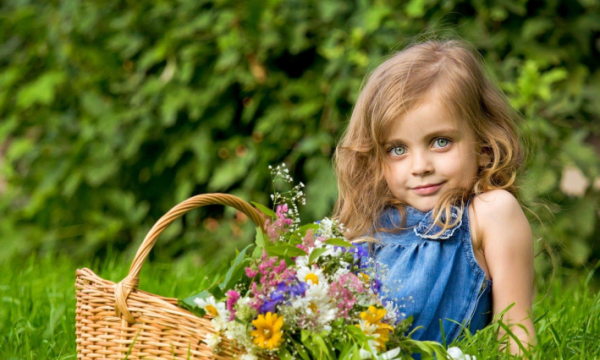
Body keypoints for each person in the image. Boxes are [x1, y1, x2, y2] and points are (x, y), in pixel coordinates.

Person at [332, 38, 536, 356]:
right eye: (397, 149)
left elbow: (515, 331)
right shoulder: (372, 223)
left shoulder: (489, 213)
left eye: (440, 141)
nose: (420, 167)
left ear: (483, 146)